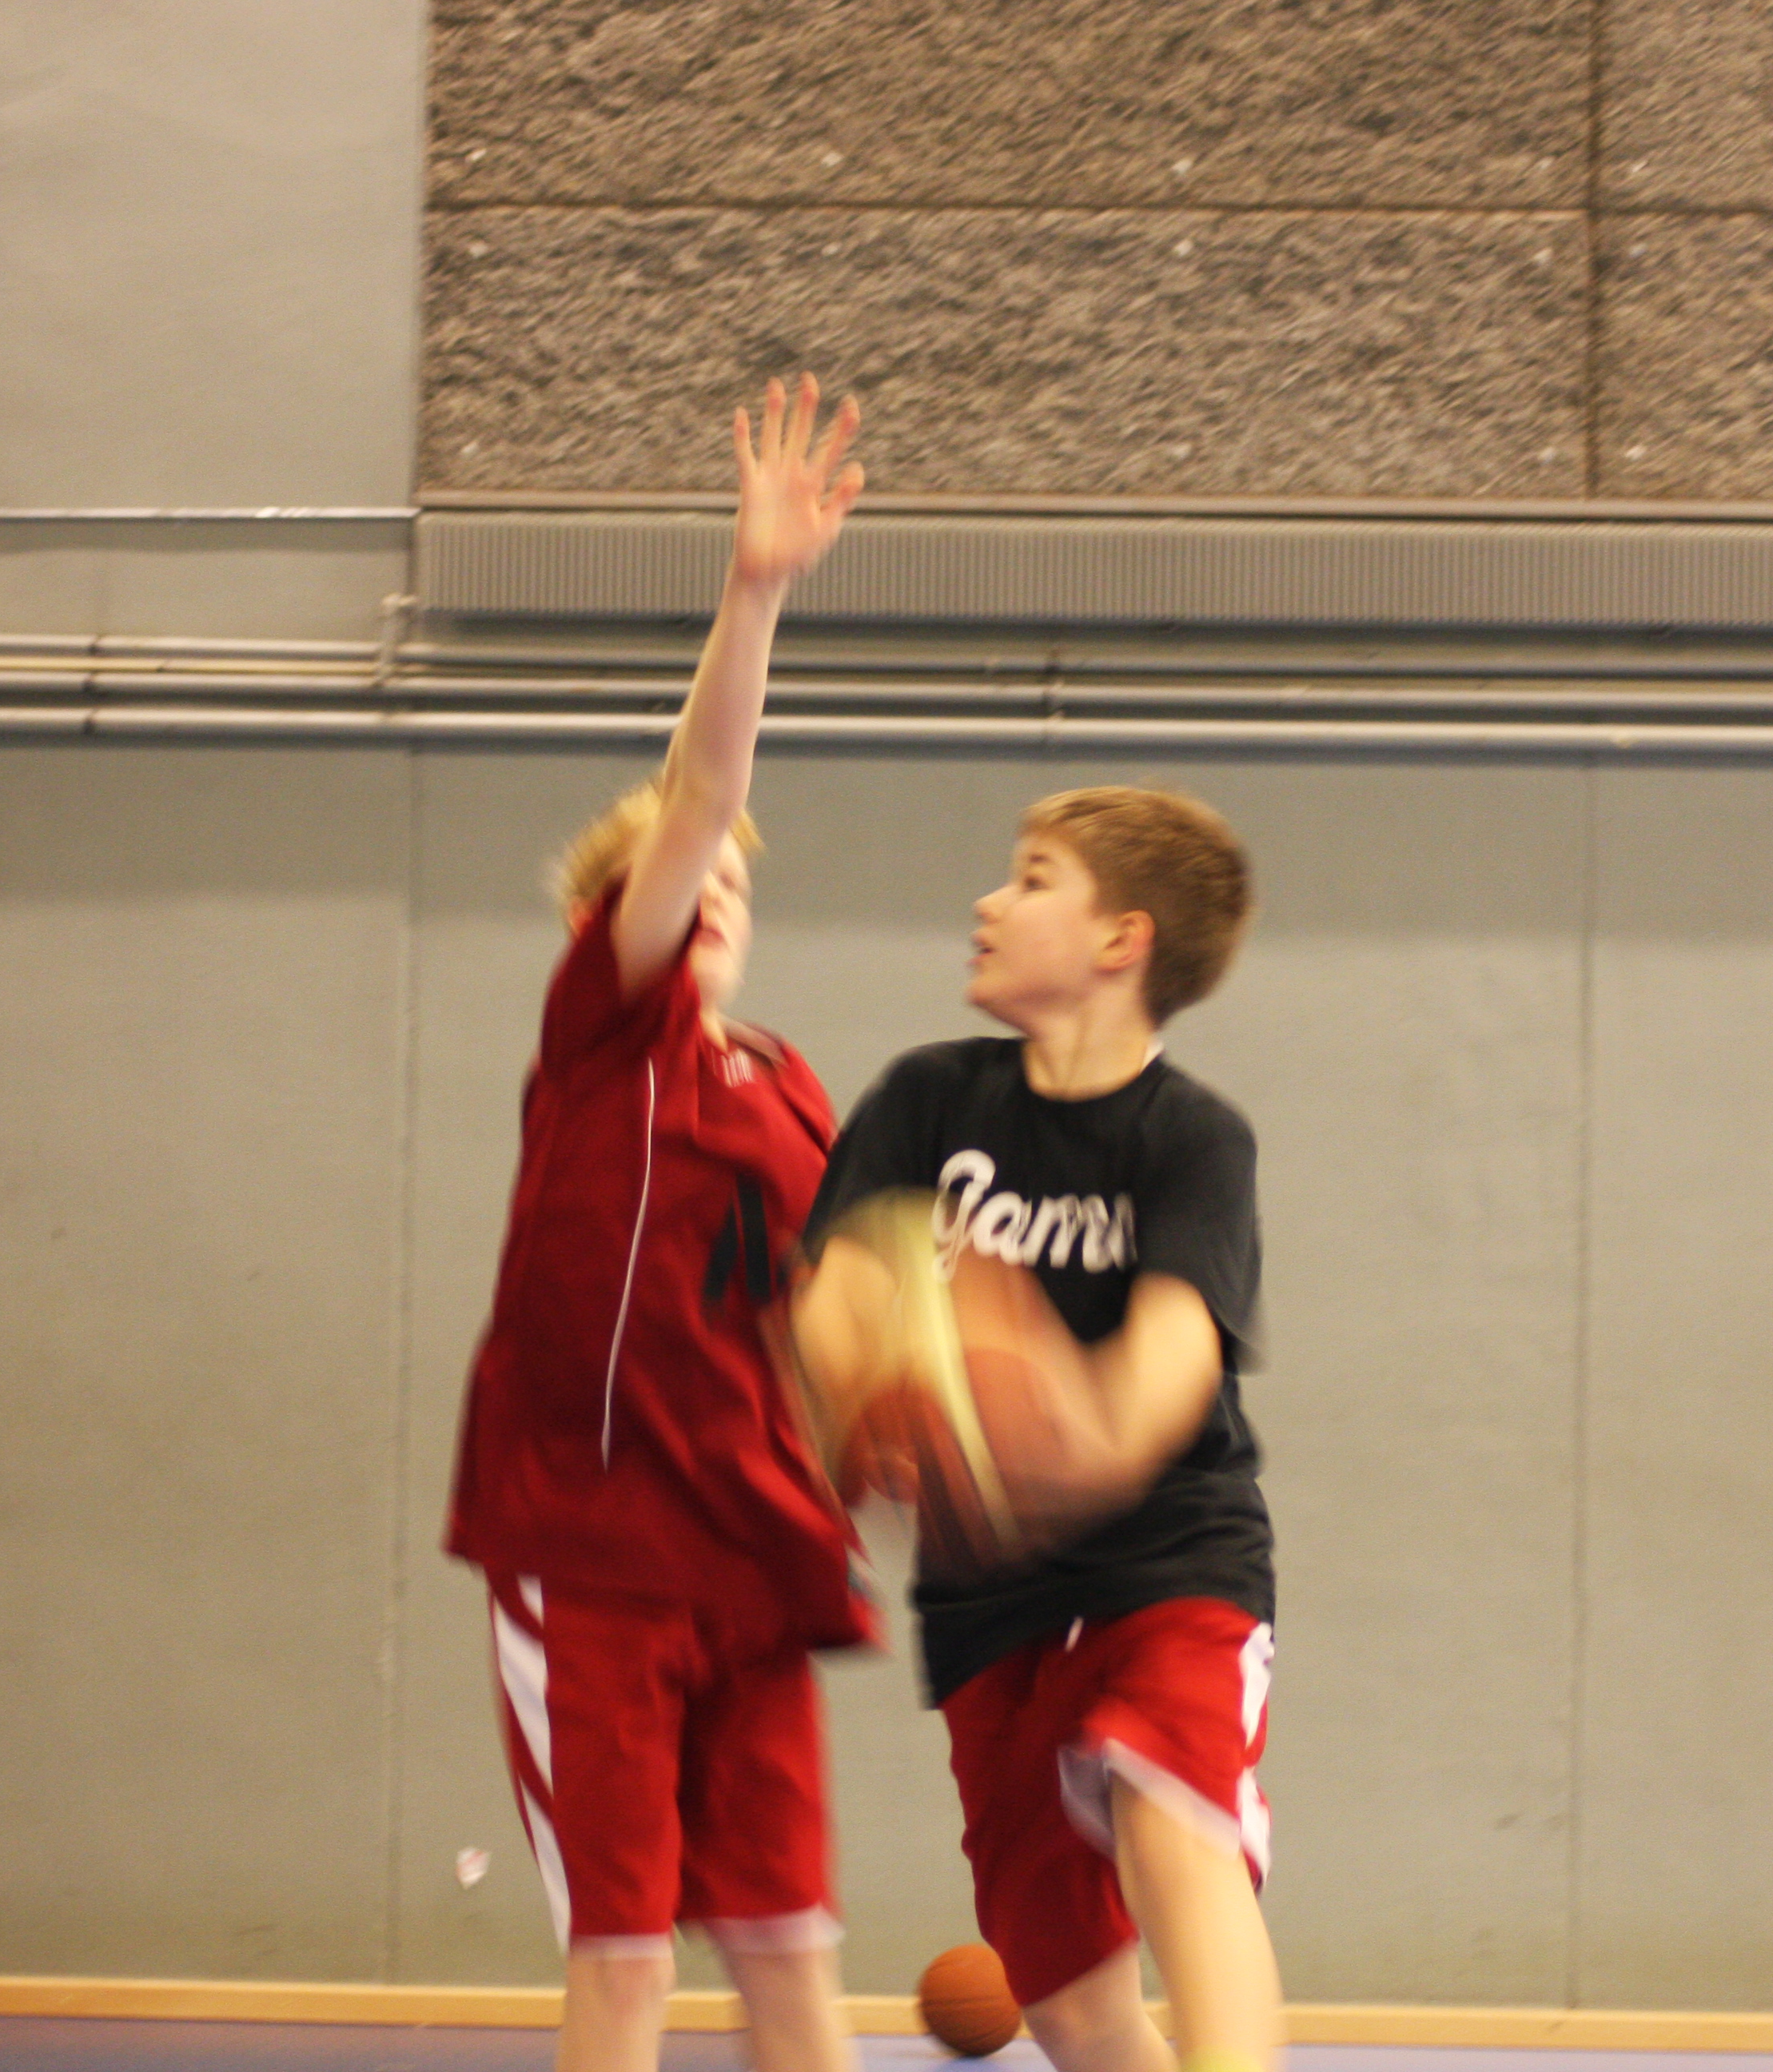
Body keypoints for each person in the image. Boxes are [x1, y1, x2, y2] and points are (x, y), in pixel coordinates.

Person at [444, 377, 865, 2072]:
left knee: (792, 1957)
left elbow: (824, 1320)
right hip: (597, 1555)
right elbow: (696, 798)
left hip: (755, 1558)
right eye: (691, 882)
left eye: (738, 887)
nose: (714, 899)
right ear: (606, 918)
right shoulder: (603, 1037)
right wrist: (754, 591)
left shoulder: (787, 1086)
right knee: (626, 1965)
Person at [795, 786, 1281, 2072]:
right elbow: (835, 1309)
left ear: (1122, 940)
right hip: (988, 1604)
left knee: (1170, 1817)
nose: (990, 902)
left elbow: (1164, 1375)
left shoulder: (1193, 1138)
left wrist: (1049, 1417)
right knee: (1067, 2003)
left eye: (1032, 877)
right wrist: (878, 1394)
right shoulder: (925, 1101)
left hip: (1170, 1568)